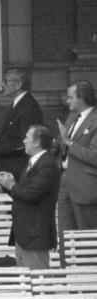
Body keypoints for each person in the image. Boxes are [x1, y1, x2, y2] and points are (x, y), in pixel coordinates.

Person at [0, 125, 60, 270]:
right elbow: (22, 194)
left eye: (27, 137)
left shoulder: (47, 163)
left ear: (37, 142)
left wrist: (12, 185)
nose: (24, 141)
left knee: (38, 280)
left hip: (35, 233)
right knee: (25, 280)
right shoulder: (33, 161)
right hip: (24, 233)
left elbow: (31, 195)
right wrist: (6, 185)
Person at [0, 68, 43, 177]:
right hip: (12, 170)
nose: (1, 85)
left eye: (5, 81)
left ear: (18, 84)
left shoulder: (28, 107)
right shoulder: (19, 104)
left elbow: (26, 143)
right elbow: (16, 136)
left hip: (18, 172)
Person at [56, 80, 97, 235]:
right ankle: (66, 261)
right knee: (66, 234)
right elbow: (60, 143)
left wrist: (68, 142)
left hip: (86, 184)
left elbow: (94, 156)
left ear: (82, 98)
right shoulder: (72, 116)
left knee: (87, 236)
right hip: (65, 179)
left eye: (71, 97)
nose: (67, 101)